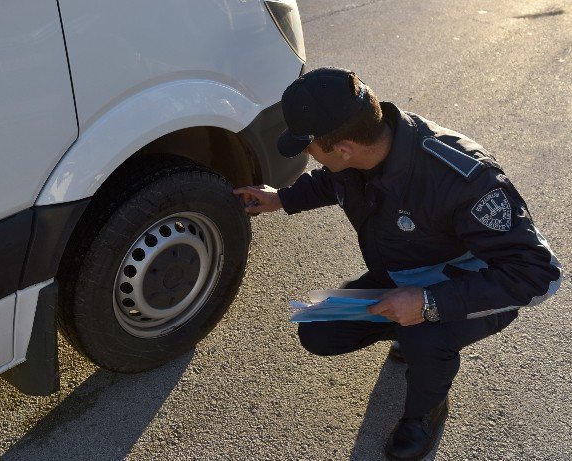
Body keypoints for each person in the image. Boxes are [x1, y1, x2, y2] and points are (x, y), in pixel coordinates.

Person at [233, 67, 562, 461]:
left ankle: (425, 412)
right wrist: (283, 199)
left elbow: (539, 275)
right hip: (403, 273)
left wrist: (428, 302)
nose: (305, 153)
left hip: (469, 287)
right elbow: (334, 181)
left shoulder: (462, 179)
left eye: (309, 147)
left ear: (344, 148)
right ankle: (408, 328)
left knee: (428, 335)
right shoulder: (368, 143)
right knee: (318, 330)